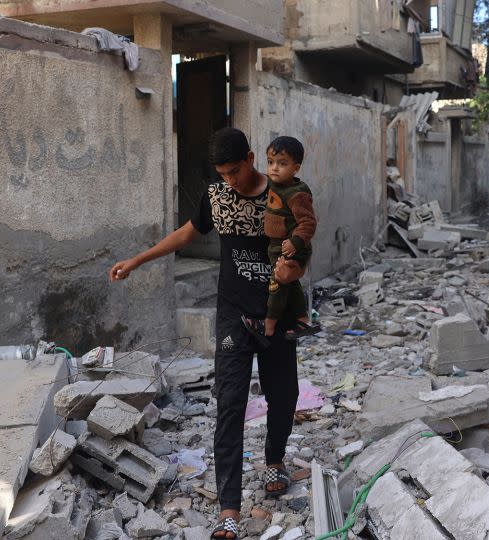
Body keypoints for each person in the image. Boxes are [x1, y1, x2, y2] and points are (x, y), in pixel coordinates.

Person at [108, 128, 300, 539]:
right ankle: (229, 508)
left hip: (278, 312)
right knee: (230, 405)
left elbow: (304, 241)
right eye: (222, 174)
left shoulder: (284, 193)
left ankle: (275, 461)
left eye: (235, 171)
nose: (230, 180)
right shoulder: (217, 197)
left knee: (283, 395)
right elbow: (190, 232)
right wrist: (140, 259)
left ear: (251, 157)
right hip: (233, 315)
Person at [242, 136, 320, 343]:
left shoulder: (297, 194)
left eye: (282, 163)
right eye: (270, 162)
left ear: (296, 168)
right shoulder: (275, 184)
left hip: (291, 248)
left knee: (276, 286)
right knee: (290, 285)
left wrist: (295, 243)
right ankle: (303, 320)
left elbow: (309, 223)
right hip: (276, 246)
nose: (274, 168)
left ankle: (267, 326)